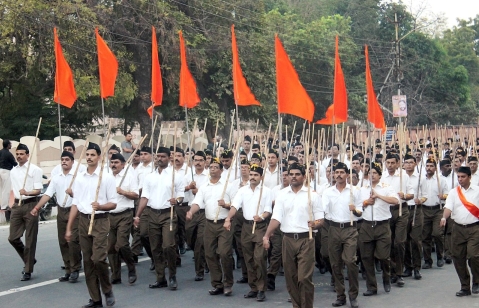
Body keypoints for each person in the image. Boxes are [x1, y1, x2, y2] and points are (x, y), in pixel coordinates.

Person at [263, 162, 324, 308]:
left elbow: (321, 219)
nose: (294, 177)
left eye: (297, 174)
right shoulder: (282, 195)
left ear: (304, 176)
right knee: (291, 278)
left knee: (304, 278)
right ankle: (297, 305)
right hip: (288, 239)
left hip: (306, 239)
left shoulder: (312, 195)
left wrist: (315, 224)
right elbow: (276, 218)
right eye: (291, 174)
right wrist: (266, 236)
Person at [66, 142, 117, 308]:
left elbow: (113, 203)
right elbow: (76, 203)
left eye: (92, 155)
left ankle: (107, 289)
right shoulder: (80, 177)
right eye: (87, 155)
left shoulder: (107, 177)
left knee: (98, 259)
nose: (89, 158)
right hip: (83, 220)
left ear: (99, 157)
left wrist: (101, 206)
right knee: (87, 261)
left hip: (101, 221)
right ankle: (95, 299)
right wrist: (69, 227)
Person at [134, 146, 184, 290]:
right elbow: (144, 197)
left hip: (168, 213)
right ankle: (160, 278)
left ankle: (172, 275)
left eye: (163, 156)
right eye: (158, 156)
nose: (160, 159)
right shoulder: (150, 177)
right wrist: (137, 215)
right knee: (155, 247)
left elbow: (181, 194)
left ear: (169, 158)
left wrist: (178, 200)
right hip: (151, 213)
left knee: (168, 245)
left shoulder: (176, 175)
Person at [31, 151, 82, 283]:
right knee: (63, 241)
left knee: (73, 241)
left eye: (67, 159)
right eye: (62, 159)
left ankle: (75, 268)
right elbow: (47, 194)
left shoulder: (78, 177)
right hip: (61, 210)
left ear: (72, 162)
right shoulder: (56, 177)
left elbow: (82, 197)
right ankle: (68, 269)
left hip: (74, 211)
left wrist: (72, 194)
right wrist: (37, 208)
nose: (64, 161)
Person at [187, 158, 234, 296]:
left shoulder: (228, 185)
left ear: (221, 170)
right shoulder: (204, 187)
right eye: (211, 167)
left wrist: (226, 205)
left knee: (225, 253)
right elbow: (197, 202)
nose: (212, 169)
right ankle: (217, 283)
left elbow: (236, 204)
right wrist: (191, 211)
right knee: (210, 254)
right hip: (209, 224)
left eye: (215, 167)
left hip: (224, 223)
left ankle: (228, 283)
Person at [225, 164, 273, 302]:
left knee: (259, 258)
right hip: (246, 227)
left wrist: (262, 217)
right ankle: (253, 287)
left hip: (260, 227)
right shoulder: (242, 190)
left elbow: (268, 210)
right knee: (248, 258)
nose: (252, 177)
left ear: (261, 177)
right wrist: (228, 218)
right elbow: (235, 205)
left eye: (255, 175)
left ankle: (261, 288)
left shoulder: (267, 191)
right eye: (251, 174)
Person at [322, 162, 362, 308]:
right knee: (335, 264)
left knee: (350, 261)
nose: (338, 174)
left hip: (350, 228)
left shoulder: (355, 191)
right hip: (333, 229)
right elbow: (323, 209)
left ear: (346, 174)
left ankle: (353, 295)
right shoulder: (328, 192)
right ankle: (340, 295)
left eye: (341, 172)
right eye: (336, 172)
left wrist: (355, 210)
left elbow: (360, 212)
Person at [359, 162, 399, 296]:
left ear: (380, 175)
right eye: (369, 173)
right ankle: (371, 286)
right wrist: (365, 202)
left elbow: (395, 201)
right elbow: (357, 207)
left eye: (375, 173)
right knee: (366, 257)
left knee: (383, 256)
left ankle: (386, 278)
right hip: (366, 225)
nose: (372, 175)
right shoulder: (362, 188)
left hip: (382, 225)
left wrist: (378, 196)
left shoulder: (386, 187)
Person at [440, 166, 479, 297]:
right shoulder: (453, 192)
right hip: (457, 228)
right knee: (458, 258)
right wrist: (444, 218)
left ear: (469, 177)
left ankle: (477, 281)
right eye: (459, 177)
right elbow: (448, 207)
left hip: (474, 228)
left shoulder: (477, 191)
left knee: (474, 256)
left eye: (463, 177)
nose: (460, 179)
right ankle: (465, 286)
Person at [9, 143, 43, 281]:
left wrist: (27, 192)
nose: (19, 156)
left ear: (27, 155)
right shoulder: (13, 171)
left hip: (31, 204)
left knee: (30, 239)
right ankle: (29, 259)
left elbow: (38, 190)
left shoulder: (35, 170)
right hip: (17, 205)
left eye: (22, 154)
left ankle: (28, 269)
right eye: (17, 154)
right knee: (13, 238)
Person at [381, 152, 414, 287]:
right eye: (388, 163)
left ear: (398, 163)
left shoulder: (404, 176)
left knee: (399, 242)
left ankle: (399, 274)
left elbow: (411, 194)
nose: (390, 165)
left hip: (401, 210)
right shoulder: (381, 176)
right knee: (389, 243)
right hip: (386, 212)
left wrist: (404, 195)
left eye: (393, 163)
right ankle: (393, 271)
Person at [108, 153, 139, 285]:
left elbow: (136, 195)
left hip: (124, 214)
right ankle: (116, 275)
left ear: (123, 164)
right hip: (109, 215)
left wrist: (123, 192)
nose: (113, 165)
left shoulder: (129, 177)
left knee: (121, 244)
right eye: (112, 162)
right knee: (110, 247)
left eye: (116, 162)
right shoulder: (107, 178)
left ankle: (131, 267)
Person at [184, 151, 209, 281]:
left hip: (204, 212)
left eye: (200, 160)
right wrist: (188, 187)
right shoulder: (188, 175)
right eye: (196, 160)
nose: (198, 162)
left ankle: (199, 270)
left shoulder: (209, 176)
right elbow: (179, 190)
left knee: (200, 241)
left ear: (205, 162)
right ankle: (203, 257)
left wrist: (197, 190)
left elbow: (209, 193)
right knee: (190, 238)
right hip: (191, 210)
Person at [421, 158, 448, 270]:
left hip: (438, 209)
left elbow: (448, 194)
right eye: (427, 166)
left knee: (437, 234)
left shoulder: (441, 180)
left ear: (435, 168)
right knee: (425, 236)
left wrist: (443, 196)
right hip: (424, 209)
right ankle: (427, 260)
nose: (429, 168)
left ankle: (440, 256)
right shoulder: (421, 180)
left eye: (431, 166)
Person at [403, 154, 425, 280]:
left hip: (417, 210)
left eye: (411, 162)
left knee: (415, 239)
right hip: (405, 209)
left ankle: (417, 268)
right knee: (404, 239)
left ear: (415, 164)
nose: (409, 164)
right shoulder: (401, 177)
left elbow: (425, 195)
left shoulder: (420, 178)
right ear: (403, 164)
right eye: (406, 162)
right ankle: (408, 267)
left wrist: (420, 199)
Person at [267, 162, 289, 291]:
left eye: (287, 175)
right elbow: (269, 206)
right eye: (283, 175)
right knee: (276, 251)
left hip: (290, 225)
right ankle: (271, 275)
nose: (285, 177)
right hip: (277, 224)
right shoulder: (275, 190)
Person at [0, 139, 17, 220]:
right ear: (8, 145)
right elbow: (14, 163)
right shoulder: (9, 154)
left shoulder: (0, 152)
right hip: (6, 171)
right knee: (6, 189)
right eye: (10, 144)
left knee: (1, 189)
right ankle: (4, 206)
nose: (11, 145)